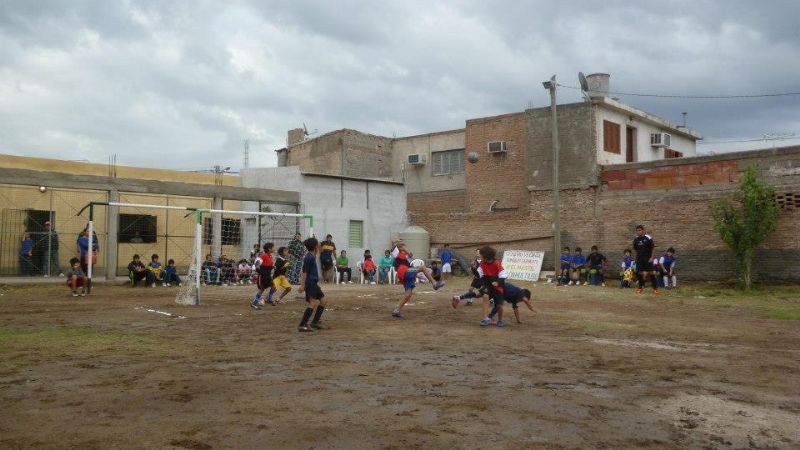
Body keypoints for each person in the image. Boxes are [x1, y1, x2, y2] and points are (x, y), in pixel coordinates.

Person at [391, 240, 444, 319]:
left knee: (408, 295)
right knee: (422, 267)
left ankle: (396, 310)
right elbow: (393, 245)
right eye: (401, 243)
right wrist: (399, 244)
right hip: (403, 271)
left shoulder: (405, 254)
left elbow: (410, 255)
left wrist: (404, 249)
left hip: (407, 272)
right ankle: (434, 283)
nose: (403, 244)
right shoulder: (396, 252)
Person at [298, 237, 328, 332]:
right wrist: (302, 285)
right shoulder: (309, 257)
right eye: (318, 243)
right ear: (315, 247)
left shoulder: (312, 255)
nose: (320, 244)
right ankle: (302, 325)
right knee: (312, 303)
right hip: (310, 283)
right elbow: (305, 272)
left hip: (314, 283)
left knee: (323, 301)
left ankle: (314, 322)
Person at [478, 246, 508, 327]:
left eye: (481, 255)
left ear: (486, 256)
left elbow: (504, 274)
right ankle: (485, 319)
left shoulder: (496, 263)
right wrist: (483, 284)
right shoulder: (482, 263)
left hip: (498, 286)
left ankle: (500, 319)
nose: (480, 257)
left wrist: (498, 282)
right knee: (485, 297)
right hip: (487, 284)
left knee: (499, 305)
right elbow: (481, 273)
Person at [633, 225, 659, 295]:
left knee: (651, 273)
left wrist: (652, 257)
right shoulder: (636, 239)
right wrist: (635, 258)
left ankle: (655, 289)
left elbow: (653, 248)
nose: (638, 232)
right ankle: (640, 287)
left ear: (643, 230)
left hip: (648, 259)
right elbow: (635, 250)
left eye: (639, 230)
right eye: (637, 230)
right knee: (639, 273)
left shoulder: (648, 238)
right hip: (639, 259)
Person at [251, 243, 275, 309]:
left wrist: (272, 267)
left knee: (273, 287)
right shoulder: (263, 255)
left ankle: (268, 299)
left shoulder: (270, 256)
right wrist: (260, 271)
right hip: (263, 275)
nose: (274, 249)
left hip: (268, 275)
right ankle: (254, 303)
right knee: (262, 289)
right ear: (269, 249)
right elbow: (256, 264)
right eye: (273, 247)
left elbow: (267, 264)